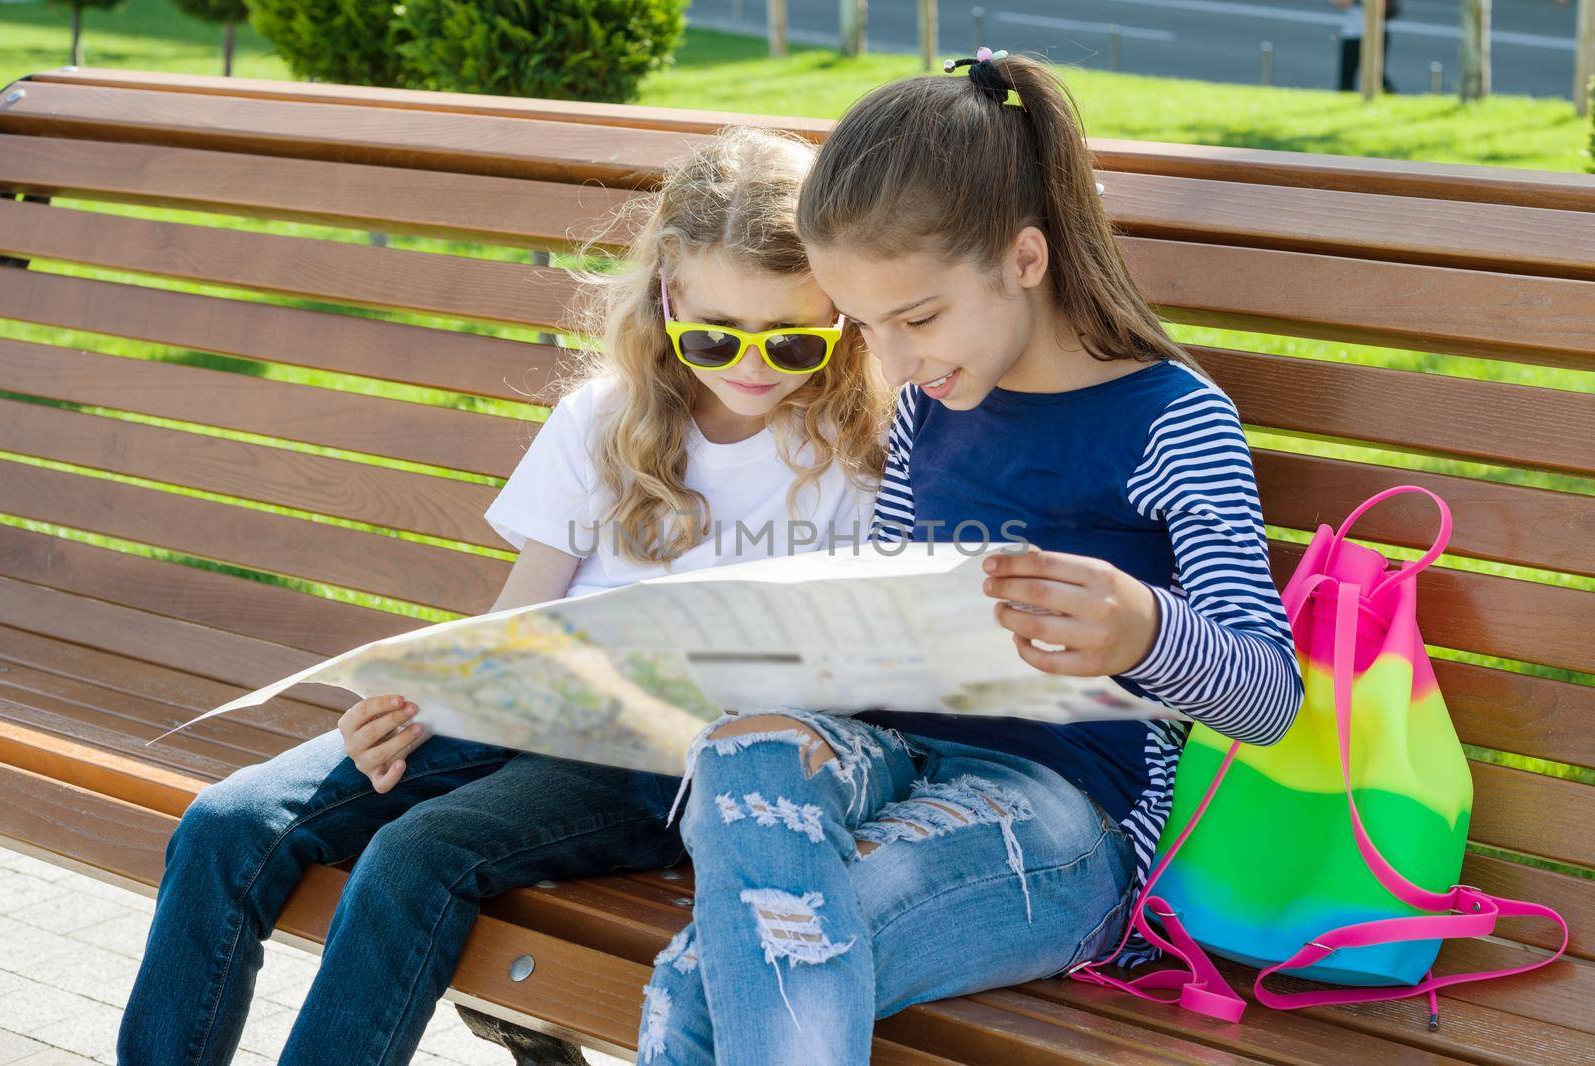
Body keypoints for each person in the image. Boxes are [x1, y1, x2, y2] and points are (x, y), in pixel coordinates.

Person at [115, 125, 888, 1066]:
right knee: (227, 825)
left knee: (416, 858)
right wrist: (412, 707)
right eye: (718, 333)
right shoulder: (604, 420)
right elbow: (516, 622)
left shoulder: (854, 455)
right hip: (527, 707)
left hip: (660, 763)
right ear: (668, 294)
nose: (753, 364)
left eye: (795, 337)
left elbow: (858, 664)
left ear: (843, 314)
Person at [635, 49, 1304, 1065]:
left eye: (916, 319)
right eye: (865, 328)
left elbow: (1269, 695)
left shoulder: (1172, 421)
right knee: (741, 747)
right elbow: (897, 621)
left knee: (706, 977)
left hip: (1067, 822)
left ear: (1024, 259)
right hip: (904, 763)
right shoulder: (928, 410)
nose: (895, 364)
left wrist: (1142, 628)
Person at [1336, 0, 1399, 92]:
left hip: (1365, 32)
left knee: (1374, 75)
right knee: (1373, 75)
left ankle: (1391, 98)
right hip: (1358, 31)